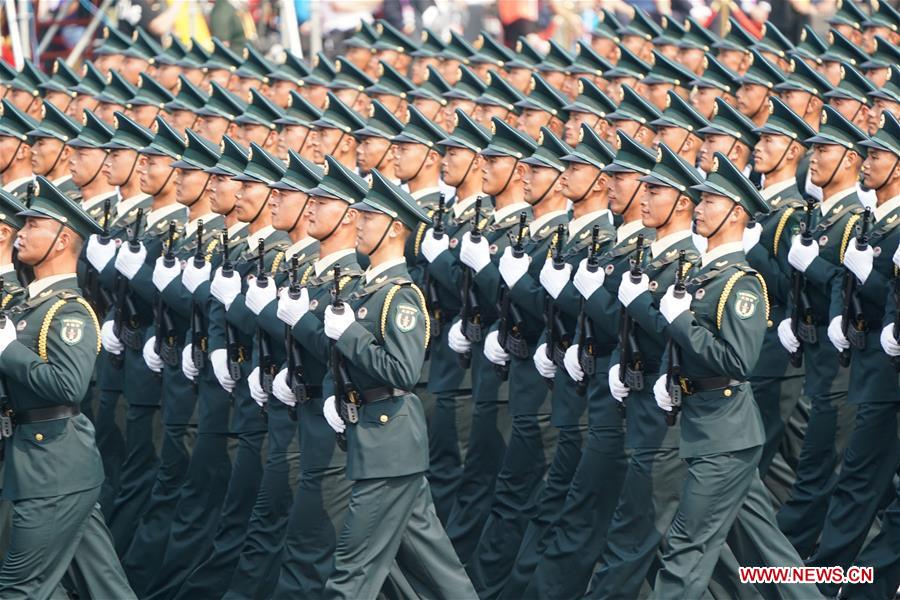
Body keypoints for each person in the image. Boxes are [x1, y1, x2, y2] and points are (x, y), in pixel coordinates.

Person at [321, 168, 476, 598]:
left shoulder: (399, 294)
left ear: (392, 228)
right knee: (428, 574)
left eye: (367, 217)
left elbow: (403, 372)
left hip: (388, 444)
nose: (357, 222)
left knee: (351, 576)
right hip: (380, 444)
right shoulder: (371, 290)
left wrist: (348, 335)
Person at [0, 176, 135, 599]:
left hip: (52, 468)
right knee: (101, 587)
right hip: (45, 465)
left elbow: (67, 387)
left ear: (61, 240)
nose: (21, 234)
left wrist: (8, 350)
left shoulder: (68, 311)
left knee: (20, 589)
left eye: (33, 226)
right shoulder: (31, 305)